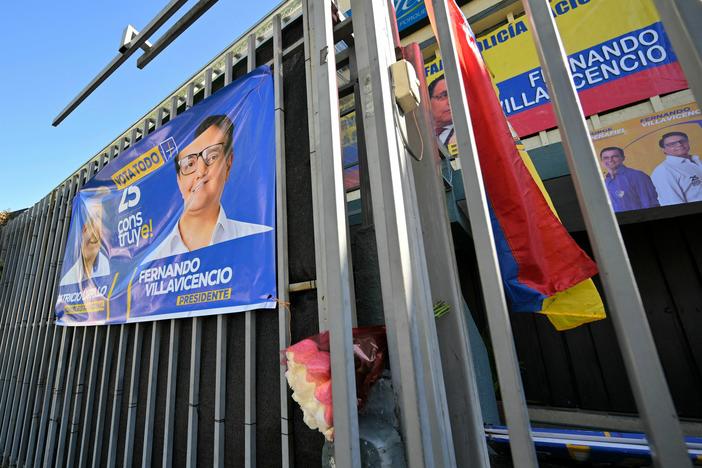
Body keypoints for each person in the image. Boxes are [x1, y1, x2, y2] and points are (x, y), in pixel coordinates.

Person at [143, 114, 271, 263]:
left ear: (228, 164)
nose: (200, 172)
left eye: (211, 157)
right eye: (189, 164)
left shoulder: (260, 240)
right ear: (178, 180)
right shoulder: (152, 264)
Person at [59, 196, 110, 286]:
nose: (96, 228)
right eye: (92, 220)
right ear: (84, 228)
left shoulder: (109, 272)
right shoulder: (67, 280)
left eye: (102, 221)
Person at [599, 146, 659, 212]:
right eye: (606, 158)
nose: (610, 160)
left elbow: (649, 203)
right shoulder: (606, 181)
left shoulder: (637, 176)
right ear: (602, 161)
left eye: (615, 156)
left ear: (623, 158)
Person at [651, 131, 702, 206]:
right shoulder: (663, 171)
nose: (679, 144)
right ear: (663, 149)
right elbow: (674, 205)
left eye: (682, 141)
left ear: (688, 142)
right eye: (672, 144)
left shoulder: (697, 161)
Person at [428, 76, 456, 150]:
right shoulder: (419, 136)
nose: (450, 101)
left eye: (453, 95)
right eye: (444, 95)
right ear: (428, 102)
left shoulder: (465, 133)